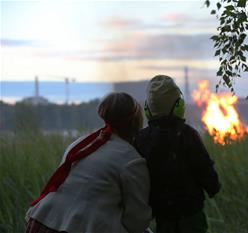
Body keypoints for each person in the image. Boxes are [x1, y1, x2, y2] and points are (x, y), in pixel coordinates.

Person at [25, 92, 152, 233]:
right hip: (82, 227)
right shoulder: (131, 160)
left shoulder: (79, 143)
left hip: (41, 221)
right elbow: (137, 221)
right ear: (136, 120)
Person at [134, 75, 221, 233]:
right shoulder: (188, 135)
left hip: (162, 218)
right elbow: (206, 172)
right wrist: (213, 187)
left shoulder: (140, 140)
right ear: (179, 105)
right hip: (191, 217)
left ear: (148, 108)